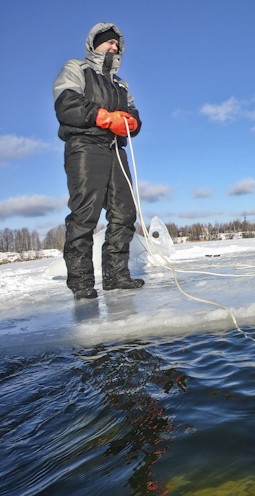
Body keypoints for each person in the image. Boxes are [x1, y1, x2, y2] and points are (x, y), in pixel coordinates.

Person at [53, 23, 143, 300]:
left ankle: (116, 276)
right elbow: (67, 105)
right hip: (84, 145)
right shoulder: (77, 69)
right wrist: (103, 117)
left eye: (117, 44)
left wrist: (131, 121)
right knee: (85, 214)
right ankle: (81, 283)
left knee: (125, 213)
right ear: (95, 44)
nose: (113, 46)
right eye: (108, 42)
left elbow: (135, 118)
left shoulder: (120, 84)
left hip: (116, 149)